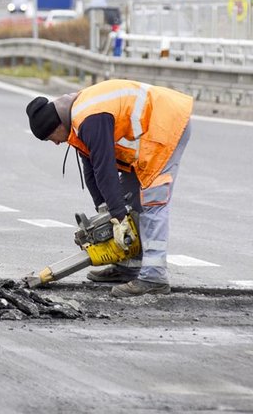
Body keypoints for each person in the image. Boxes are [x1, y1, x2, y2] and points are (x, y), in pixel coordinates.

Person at [25, 79, 192, 298]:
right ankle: (130, 266)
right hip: (146, 133)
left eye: (51, 138)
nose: (56, 143)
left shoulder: (89, 118)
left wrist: (119, 218)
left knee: (152, 200)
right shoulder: (76, 118)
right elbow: (91, 167)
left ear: (57, 126)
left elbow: (105, 169)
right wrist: (105, 210)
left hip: (166, 125)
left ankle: (154, 277)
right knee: (129, 198)